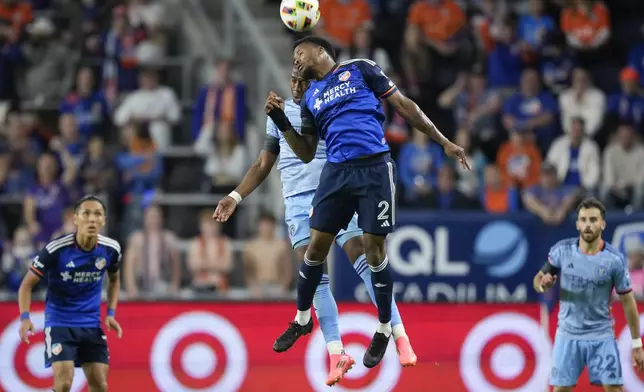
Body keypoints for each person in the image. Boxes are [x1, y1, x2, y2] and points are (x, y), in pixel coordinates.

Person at [266, 36, 467, 368]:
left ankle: (385, 328)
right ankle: (303, 318)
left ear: (320, 51)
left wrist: (443, 141)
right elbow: (305, 152)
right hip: (337, 173)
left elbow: (405, 105)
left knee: (374, 251)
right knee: (315, 249)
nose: (296, 60)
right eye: (293, 57)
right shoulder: (311, 97)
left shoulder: (360, 69)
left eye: (300, 53)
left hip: (374, 168)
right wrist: (280, 120)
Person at [214, 70, 416, 386]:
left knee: (362, 255)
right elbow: (264, 163)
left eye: (303, 82)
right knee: (312, 270)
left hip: (333, 190)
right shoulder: (279, 114)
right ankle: (337, 353)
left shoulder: (328, 107)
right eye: (293, 81)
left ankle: (399, 333)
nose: (296, 86)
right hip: (296, 200)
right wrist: (235, 195)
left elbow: (315, 151)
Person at [534, 198, 644, 391]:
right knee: (560, 390)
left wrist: (636, 344)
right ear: (577, 224)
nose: (587, 225)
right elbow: (538, 280)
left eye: (593, 220)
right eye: (583, 220)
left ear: (603, 224)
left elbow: (628, 302)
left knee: (614, 388)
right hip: (568, 335)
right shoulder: (562, 251)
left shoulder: (614, 260)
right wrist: (543, 285)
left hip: (601, 335)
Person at [17, 195, 123, 392]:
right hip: (60, 322)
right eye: (86, 214)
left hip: (91, 323)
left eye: (98, 214)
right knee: (65, 382)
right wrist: (25, 317)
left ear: (104, 220)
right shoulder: (56, 249)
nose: (92, 219)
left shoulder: (111, 249)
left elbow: (115, 280)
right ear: (75, 219)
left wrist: (110, 313)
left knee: (100, 384)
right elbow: (26, 285)